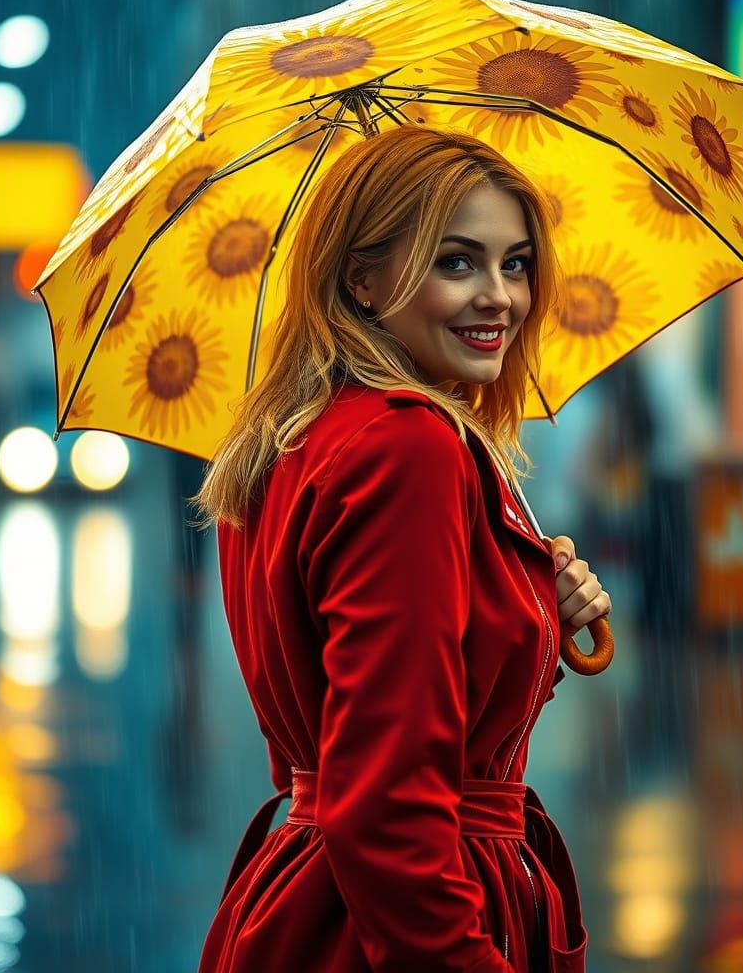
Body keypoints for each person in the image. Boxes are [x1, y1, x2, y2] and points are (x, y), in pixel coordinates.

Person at [192, 124, 610, 973]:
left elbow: (348, 712)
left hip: (308, 903)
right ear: (362, 278)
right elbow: (385, 805)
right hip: (398, 923)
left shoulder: (294, 437)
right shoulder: (408, 448)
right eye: (456, 262)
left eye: (516, 263)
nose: (499, 296)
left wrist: (526, 608)